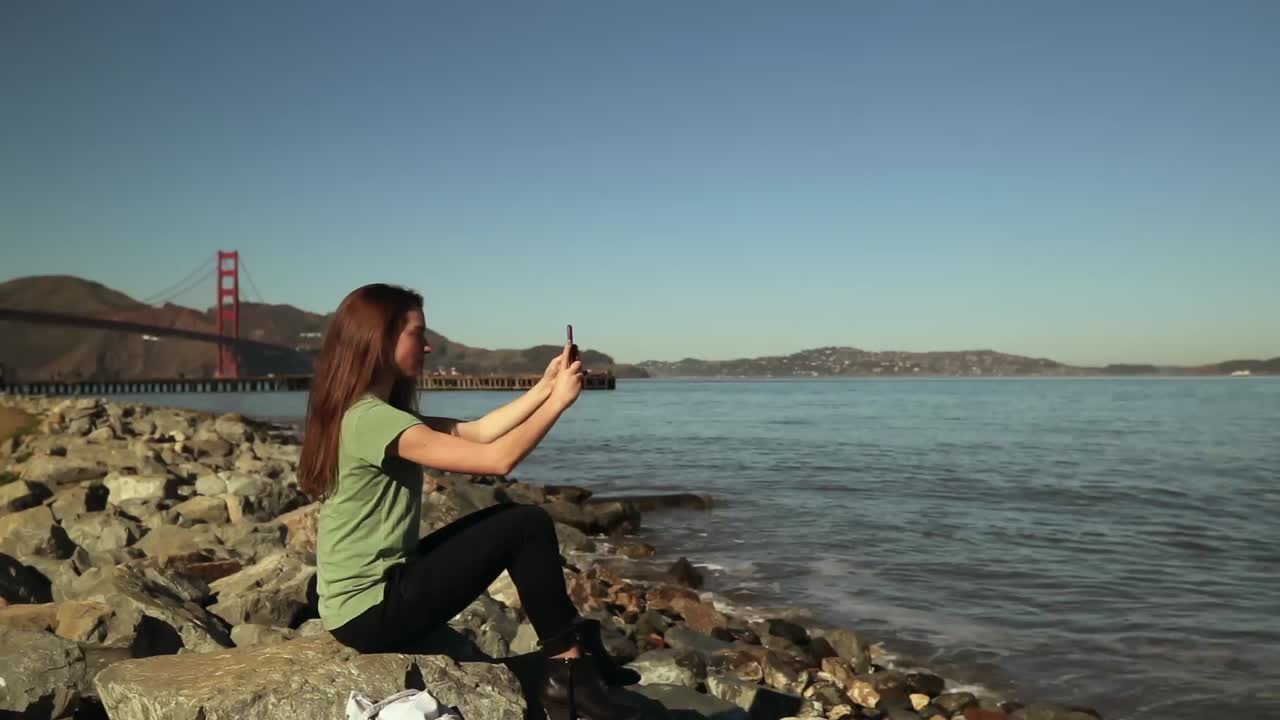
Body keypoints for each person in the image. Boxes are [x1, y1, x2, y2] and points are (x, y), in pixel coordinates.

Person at [299, 283, 639, 720]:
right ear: (378, 340)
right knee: (526, 525)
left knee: (515, 519)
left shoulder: (369, 411)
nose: (428, 344)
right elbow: (496, 459)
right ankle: (568, 672)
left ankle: (579, 650)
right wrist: (558, 404)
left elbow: (479, 431)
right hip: (372, 612)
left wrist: (544, 386)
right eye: (416, 333)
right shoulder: (371, 420)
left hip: (373, 594)